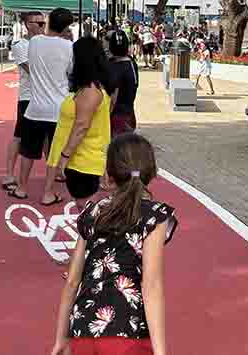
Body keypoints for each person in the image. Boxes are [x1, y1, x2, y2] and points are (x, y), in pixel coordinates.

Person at [51, 133, 176, 355]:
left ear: (109, 174)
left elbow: (72, 280)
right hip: (128, 329)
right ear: (153, 172)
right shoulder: (153, 216)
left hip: (85, 328)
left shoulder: (93, 212)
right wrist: (160, 351)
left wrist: (61, 337)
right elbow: (151, 285)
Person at [12, 8, 75, 205]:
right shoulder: (69, 47)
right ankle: (48, 192)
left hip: (35, 108)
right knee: (53, 154)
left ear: (48, 22)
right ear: (66, 27)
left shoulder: (35, 42)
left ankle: (21, 188)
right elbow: (71, 72)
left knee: (27, 152)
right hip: (59, 109)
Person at [47, 37, 112, 211]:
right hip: (83, 160)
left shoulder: (90, 91)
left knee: (86, 209)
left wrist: (64, 157)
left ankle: (88, 239)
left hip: (84, 160)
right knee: (86, 209)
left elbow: (81, 126)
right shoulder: (91, 88)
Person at [2, 11, 46, 191]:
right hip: (28, 98)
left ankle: (57, 171)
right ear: (28, 24)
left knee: (48, 138)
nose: (43, 26)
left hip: (46, 96)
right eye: (39, 23)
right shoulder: (21, 44)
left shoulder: (45, 44)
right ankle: (9, 174)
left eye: (44, 22)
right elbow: (31, 69)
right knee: (19, 136)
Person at [108, 30, 140, 136]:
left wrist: (106, 116)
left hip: (116, 116)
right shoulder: (132, 63)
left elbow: (113, 98)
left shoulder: (113, 66)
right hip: (128, 113)